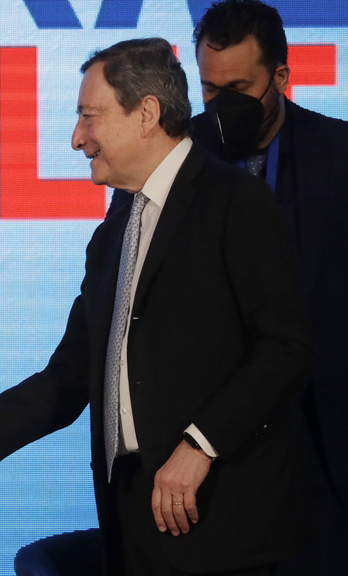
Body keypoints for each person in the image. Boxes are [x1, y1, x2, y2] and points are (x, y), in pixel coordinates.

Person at [0, 38, 311, 575]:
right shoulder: (114, 230)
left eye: (88, 117)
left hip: (220, 522)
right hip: (131, 522)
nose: (77, 138)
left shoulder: (236, 201)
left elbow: (284, 347)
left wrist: (200, 445)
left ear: (146, 114)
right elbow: (70, 376)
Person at [190, 2, 348, 573]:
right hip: (217, 454)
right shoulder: (180, 166)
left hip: (329, 445)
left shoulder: (340, 155)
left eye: (239, 89)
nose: (223, 107)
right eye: (211, 90)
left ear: (280, 77)